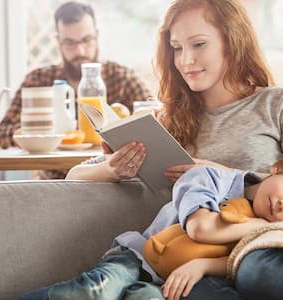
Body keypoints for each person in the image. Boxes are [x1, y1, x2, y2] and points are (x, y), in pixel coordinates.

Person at [67, 0, 283, 299]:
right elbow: (74, 175)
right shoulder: (165, 121)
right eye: (177, 48)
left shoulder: (274, 104)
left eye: (198, 44)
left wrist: (223, 173)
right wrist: (112, 168)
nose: (186, 60)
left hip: (260, 250)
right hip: (186, 261)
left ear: (233, 41)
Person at [15, 164, 283, 300]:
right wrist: (268, 226)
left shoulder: (267, 237)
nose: (282, 207)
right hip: (137, 257)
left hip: (172, 283)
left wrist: (202, 266)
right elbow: (200, 228)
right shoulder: (211, 178)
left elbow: (235, 264)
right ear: (278, 169)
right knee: (95, 291)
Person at [0, 1, 151, 179]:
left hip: (110, 181)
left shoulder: (121, 79)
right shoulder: (39, 80)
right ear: (58, 41)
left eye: (86, 40)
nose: (80, 50)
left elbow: (154, 119)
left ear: (96, 36)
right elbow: (0, 135)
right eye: (70, 42)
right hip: (53, 182)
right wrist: (45, 134)